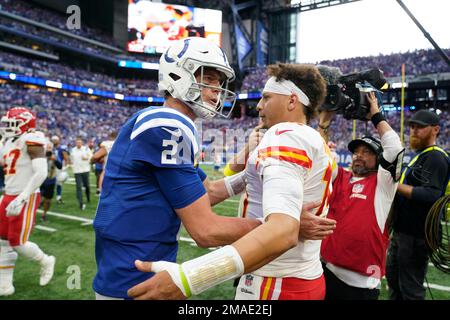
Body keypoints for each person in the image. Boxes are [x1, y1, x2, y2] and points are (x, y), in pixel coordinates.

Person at [128, 62, 337, 300]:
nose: (258, 106)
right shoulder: (314, 140)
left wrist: (189, 279)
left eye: (266, 97)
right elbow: (212, 192)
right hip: (303, 276)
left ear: (292, 101)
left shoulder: (284, 136)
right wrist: (246, 178)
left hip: (276, 282)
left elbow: (283, 231)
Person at [92, 37, 263, 300]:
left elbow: (206, 192)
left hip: (135, 266)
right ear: (179, 74)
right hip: (135, 277)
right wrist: (280, 227)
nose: (217, 88)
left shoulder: (169, 123)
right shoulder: (167, 125)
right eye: (210, 77)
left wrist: (247, 177)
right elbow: (206, 231)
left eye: (219, 80)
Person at [318, 92, 404, 300]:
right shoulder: (342, 177)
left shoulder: (384, 183)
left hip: (361, 283)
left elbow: (395, 148)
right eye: (357, 151)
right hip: (326, 269)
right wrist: (324, 124)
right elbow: (318, 154)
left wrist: (376, 115)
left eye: (367, 152)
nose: (359, 155)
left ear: (378, 159)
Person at [386, 109, 450, 300]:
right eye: (412, 127)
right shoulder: (421, 155)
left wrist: (395, 186)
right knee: (395, 284)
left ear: (435, 130)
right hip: (403, 232)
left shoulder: (436, 156)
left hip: (416, 235)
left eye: (420, 127)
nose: (414, 131)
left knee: (410, 289)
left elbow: (431, 193)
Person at [0, 107, 55, 296]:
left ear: (24, 125)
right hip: (8, 194)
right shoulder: (8, 141)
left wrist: (22, 197)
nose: (6, 127)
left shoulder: (32, 139)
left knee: (17, 242)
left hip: (26, 195)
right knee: (3, 241)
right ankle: (5, 285)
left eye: (11, 124)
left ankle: (46, 260)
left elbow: (41, 172)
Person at [40, 142, 63, 222]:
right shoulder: (40, 155)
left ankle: (44, 214)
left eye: (50, 147)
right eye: (47, 147)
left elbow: (60, 166)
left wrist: (55, 160)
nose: (49, 149)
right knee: (38, 198)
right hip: (40, 179)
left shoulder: (55, 155)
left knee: (48, 200)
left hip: (50, 180)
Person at [70, 137, 92, 210]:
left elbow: (91, 157)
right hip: (77, 171)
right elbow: (71, 159)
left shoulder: (86, 149)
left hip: (85, 170)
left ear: (82, 143)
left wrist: (86, 158)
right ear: (75, 143)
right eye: (77, 142)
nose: (78, 144)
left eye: (79, 142)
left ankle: (88, 197)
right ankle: (81, 203)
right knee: (78, 187)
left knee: (87, 186)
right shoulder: (73, 150)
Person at [51, 135, 69, 204]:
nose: (54, 141)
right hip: (50, 167)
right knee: (48, 182)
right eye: (53, 139)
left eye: (55, 140)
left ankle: (58, 197)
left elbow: (66, 158)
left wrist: (64, 167)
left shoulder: (61, 148)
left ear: (58, 141)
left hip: (58, 167)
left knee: (59, 182)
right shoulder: (50, 148)